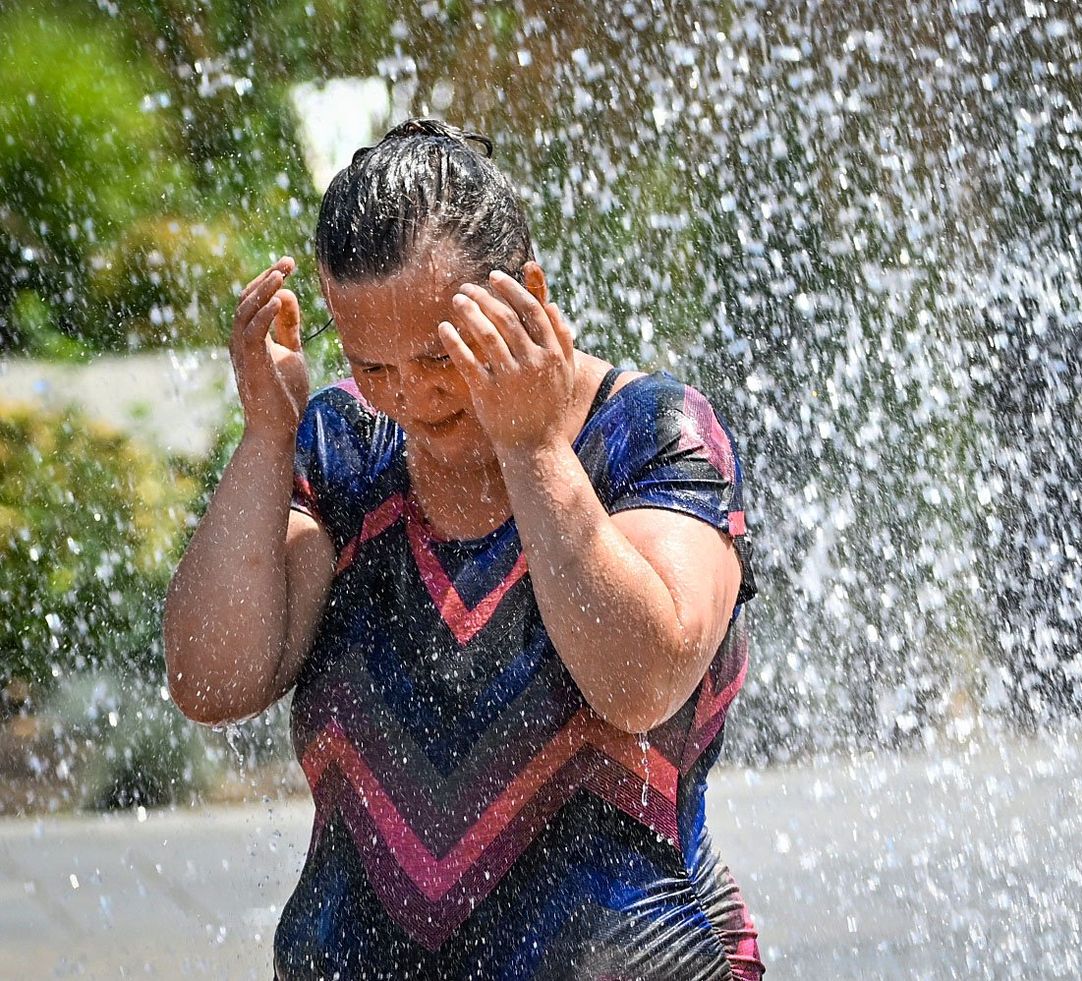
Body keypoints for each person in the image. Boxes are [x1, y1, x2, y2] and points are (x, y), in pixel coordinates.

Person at [164, 117, 764, 980]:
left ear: (527, 294)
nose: (407, 393)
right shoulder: (346, 449)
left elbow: (638, 681)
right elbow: (212, 680)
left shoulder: (649, 436)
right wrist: (266, 439)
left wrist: (532, 449)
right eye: (373, 363)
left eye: (438, 353)